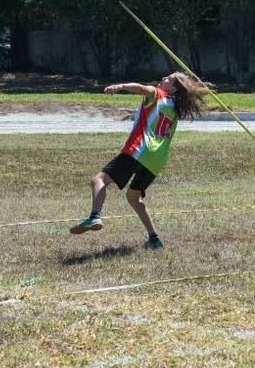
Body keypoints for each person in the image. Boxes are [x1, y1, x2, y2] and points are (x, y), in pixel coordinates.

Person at [69, 72, 209, 249]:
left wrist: (121, 86)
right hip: (157, 160)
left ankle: (95, 216)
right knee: (134, 198)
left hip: (139, 150)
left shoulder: (157, 94)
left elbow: (143, 89)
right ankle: (154, 240)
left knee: (98, 180)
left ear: (173, 88)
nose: (164, 78)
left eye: (169, 79)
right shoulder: (174, 107)